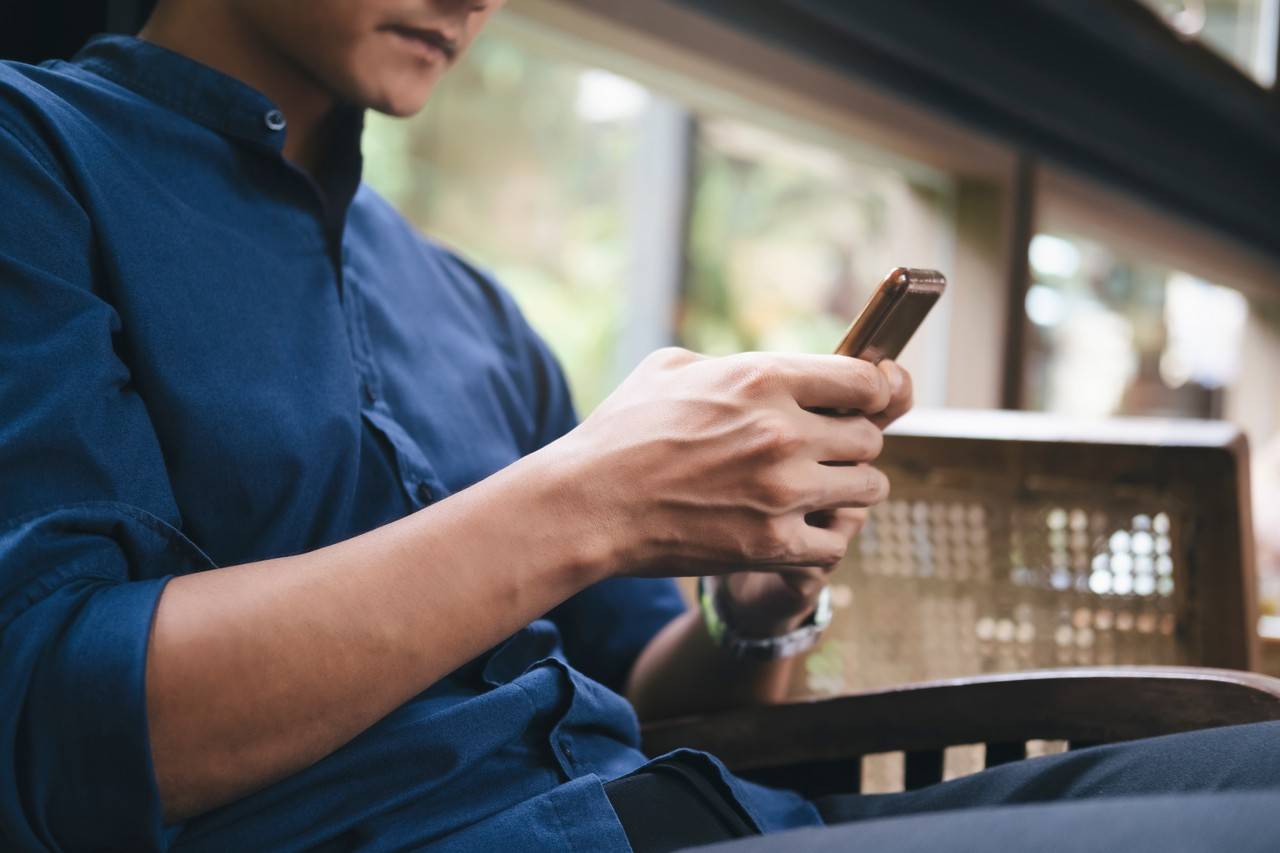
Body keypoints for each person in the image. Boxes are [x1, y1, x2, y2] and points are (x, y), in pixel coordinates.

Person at [0, 2, 1274, 851]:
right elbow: (62, 726)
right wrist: (590, 498)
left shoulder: (466, 307)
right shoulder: (38, 160)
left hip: (716, 811)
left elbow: (649, 695)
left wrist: (748, 602)